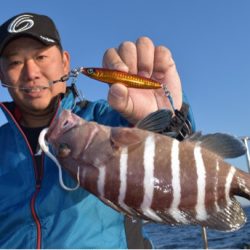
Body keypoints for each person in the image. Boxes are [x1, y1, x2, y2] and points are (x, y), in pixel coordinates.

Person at [0, 13, 195, 249]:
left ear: (65, 62)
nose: (31, 73)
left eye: (41, 56)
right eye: (15, 62)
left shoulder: (106, 120)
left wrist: (167, 117)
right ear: (2, 75)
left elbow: (171, 155)